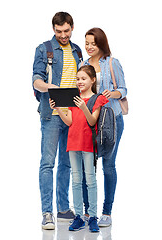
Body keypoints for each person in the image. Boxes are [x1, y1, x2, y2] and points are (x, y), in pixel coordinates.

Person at [32, 12, 82, 230]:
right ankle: (47, 213)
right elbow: (36, 81)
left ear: (72, 28)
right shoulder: (44, 49)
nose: (63, 35)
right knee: (47, 163)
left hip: (72, 116)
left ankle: (63, 209)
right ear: (54, 29)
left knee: (66, 164)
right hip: (51, 115)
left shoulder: (78, 50)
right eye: (59, 31)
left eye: (66, 31)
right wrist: (52, 89)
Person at [49, 65, 109, 232]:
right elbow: (69, 121)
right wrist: (58, 109)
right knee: (76, 180)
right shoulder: (73, 97)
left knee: (90, 179)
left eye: (83, 79)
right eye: (78, 79)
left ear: (92, 80)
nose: (80, 82)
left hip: (88, 143)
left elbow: (92, 122)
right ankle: (79, 217)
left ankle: (92, 216)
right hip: (73, 142)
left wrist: (83, 107)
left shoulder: (97, 99)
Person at [81, 28, 127, 227]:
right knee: (87, 167)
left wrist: (112, 94)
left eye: (93, 43)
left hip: (111, 120)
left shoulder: (111, 63)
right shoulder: (82, 65)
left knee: (108, 166)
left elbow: (123, 89)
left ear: (101, 44)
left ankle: (106, 212)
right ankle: (88, 211)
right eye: (87, 43)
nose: (90, 47)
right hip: (89, 120)